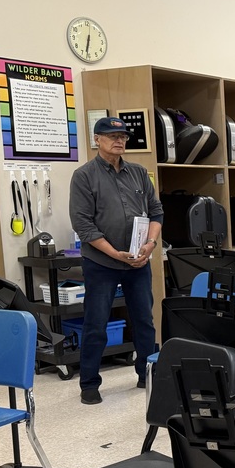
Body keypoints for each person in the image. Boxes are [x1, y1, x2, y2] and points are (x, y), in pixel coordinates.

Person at [69, 117, 164, 405]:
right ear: (97, 139)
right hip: (102, 264)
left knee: (144, 321)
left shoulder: (138, 173)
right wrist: (115, 254)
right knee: (96, 323)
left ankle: (146, 374)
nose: (119, 140)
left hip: (139, 260)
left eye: (123, 135)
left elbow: (156, 212)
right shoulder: (84, 176)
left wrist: (150, 245)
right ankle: (89, 383)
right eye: (111, 136)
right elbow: (83, 225)